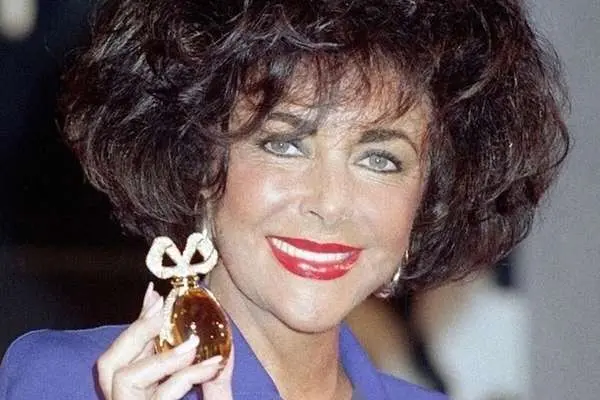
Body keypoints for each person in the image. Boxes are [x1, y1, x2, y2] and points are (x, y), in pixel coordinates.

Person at [0, 0, 569, 399]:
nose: (330, 202)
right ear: (201, 164)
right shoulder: (69, 382)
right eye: (286, 144)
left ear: (427, 195)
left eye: (379, 159)